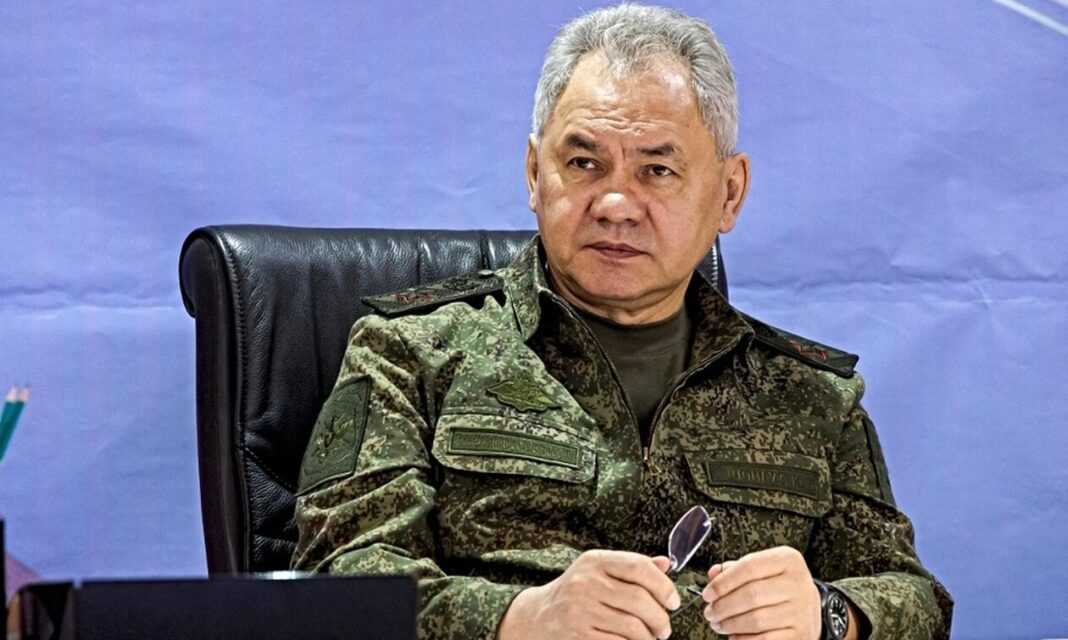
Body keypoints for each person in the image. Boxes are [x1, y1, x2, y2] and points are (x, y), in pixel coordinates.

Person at [291, 5, 953, 639]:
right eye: (584, 163)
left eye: (657, 170)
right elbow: (334, 584)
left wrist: (830, 615)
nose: (615, 203)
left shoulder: (811, 395)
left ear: (729, 193)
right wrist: (519, 619)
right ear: (534, 173)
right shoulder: (412, 354)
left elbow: (915, 601)